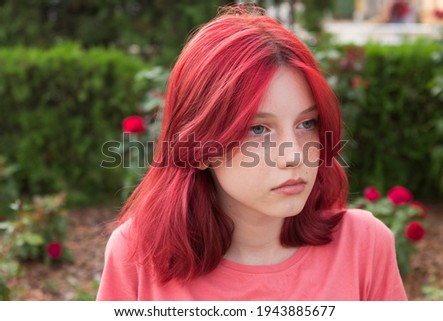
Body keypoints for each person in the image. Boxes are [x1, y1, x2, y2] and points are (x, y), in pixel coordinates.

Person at [96, 4, 407, 301]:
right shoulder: (136, 256)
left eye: (307, 123)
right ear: (200, 147)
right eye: (258, 129)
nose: (294, 155)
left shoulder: (363, 247)